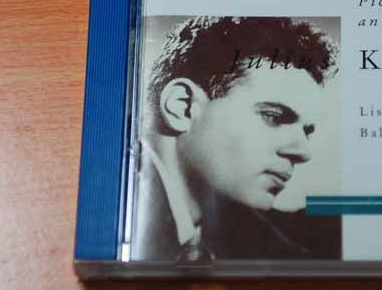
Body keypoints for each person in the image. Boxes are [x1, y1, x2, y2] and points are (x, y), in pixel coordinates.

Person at [130, 16, 341, 262]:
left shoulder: (259, 233)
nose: (303, 152)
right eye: (273, 117)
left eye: (307, 131)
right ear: (183, 107)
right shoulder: (115, 208)